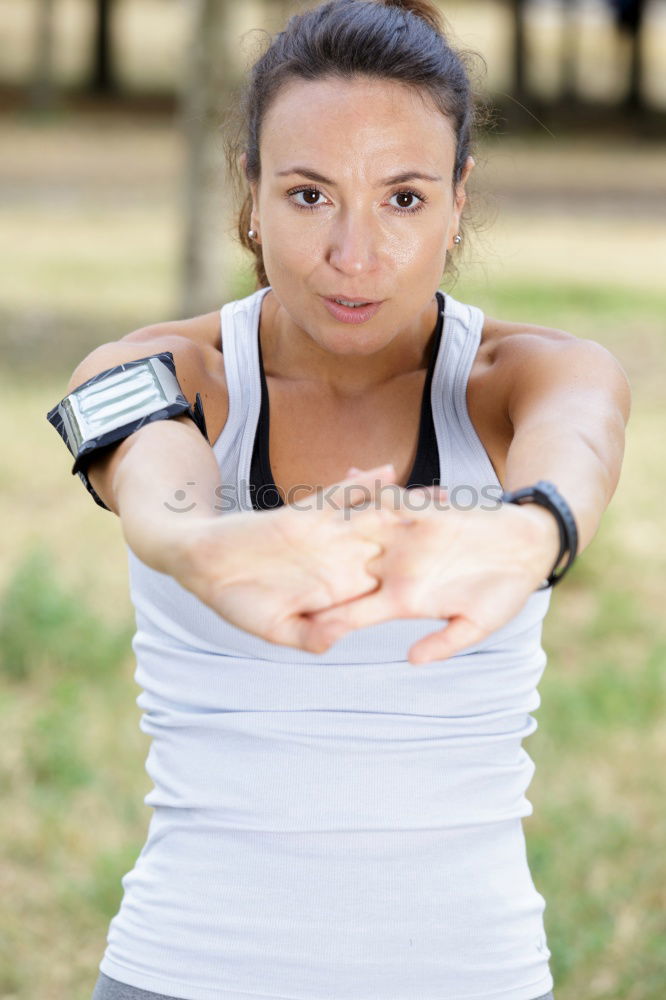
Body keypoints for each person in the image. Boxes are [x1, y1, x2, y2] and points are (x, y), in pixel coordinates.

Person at [46, 1, 630, 998]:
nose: (354, 255)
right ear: (252, 194)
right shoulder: (162, 367)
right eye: (310, 194)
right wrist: (204, 547)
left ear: (458, 201)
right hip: (185, 972)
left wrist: (534, 530)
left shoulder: (532, 375)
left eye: (402, 199)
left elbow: (579, 440)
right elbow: (152, 473)